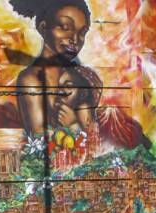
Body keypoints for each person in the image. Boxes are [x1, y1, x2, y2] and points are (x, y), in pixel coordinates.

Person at [12, 0, 100, 137]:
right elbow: (39, 137)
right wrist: (73, 126)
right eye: (65, 27)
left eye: (82, 32)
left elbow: (95, 136)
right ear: (43, 27)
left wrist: (78, 121)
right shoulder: (31, 79)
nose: (75, 39)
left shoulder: (80, 76)